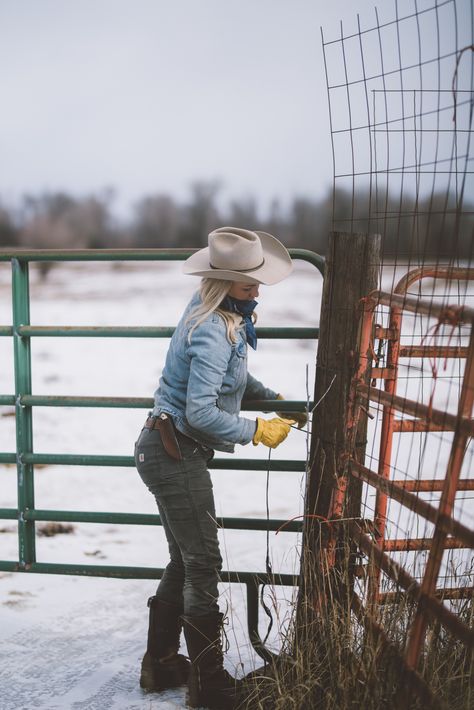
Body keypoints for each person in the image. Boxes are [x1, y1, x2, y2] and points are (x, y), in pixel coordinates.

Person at [134, 226, 306, 710]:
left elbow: (233, 378)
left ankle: (162, 663)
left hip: (164, 449)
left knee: (184, 561)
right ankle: (208, 684)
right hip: (176, 451)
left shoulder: (219, 315)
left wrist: (276, 400)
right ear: (223, 281)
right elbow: (201, 413)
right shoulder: (212, 328)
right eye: (249, 282)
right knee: (204, 562)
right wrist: (257, 430)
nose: (258, 289)